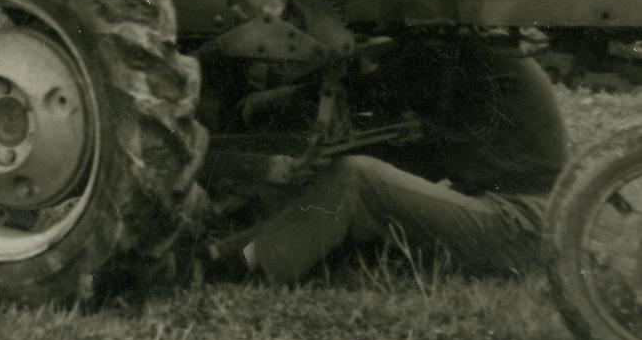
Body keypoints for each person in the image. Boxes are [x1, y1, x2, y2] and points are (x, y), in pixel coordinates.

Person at [240, 42, 569, 282]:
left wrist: (284, 97)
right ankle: (239, 252)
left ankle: (247, 268)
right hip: (524, 222)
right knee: (358, 179)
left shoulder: (469, 56)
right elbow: (416, 162)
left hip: (522, 224)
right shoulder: (472, 59)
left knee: (357, 177)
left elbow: (372, 90)